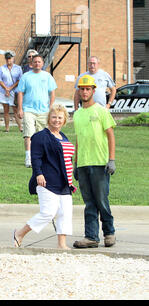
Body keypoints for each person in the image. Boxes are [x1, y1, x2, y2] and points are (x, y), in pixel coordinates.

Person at [13, 105, 76, 250]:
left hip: (64, 183)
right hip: (47, 181)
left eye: (60, 118)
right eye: (54, 117)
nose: (57, 120)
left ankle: (62, 244)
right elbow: (36, 158)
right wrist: (39, 174)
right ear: (49, 118)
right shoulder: (40, 136)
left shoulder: (63, 136)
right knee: (48, 213)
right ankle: (20, 233)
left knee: (65, 213)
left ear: (64, 120)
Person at [72, 75, 117, 249]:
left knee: (101, 200)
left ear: (93, 90)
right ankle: (91, 237)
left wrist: (111, 159)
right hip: (83, 164)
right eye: (82, 89)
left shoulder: (101, 111)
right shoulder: (77, 115)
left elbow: (110, 135)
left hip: (100, 163)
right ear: (79, 91)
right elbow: (78, 140)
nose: (84, 92)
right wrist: (76, 163)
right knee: (89, 202)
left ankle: (109, 232)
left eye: (87, 89)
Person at [16, 55, 57, 168]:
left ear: (42, 63)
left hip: (43, 111)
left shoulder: (47, 76)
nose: (37, 64)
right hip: (28, 109)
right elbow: (20, 92)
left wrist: (50, 107)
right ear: (32, 63)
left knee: (42, 135)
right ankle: (28, 157)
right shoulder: (26, 77)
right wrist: (20, 108)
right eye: (35, 62)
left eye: (39, 62)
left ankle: (41, 157)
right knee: (28, 133)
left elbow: (52, 92)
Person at [0, 50, 23, 132]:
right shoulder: (2, 68)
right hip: (3, 91)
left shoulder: (18, 68)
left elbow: (20, 80)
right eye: (7, 59)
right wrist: (6, 89)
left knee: (15, 109)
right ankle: (7, 128)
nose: (8, 60)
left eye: (10, 58)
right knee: (6, 110)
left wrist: (10, 88)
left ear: (13, 59)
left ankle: (20, 127)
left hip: (14, 91)